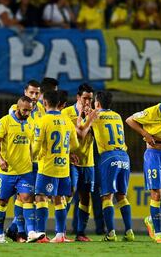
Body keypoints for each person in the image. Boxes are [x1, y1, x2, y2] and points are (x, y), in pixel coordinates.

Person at [126, 98, 161, 244]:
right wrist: (145, 134)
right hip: (153, 155)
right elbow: (129, 120)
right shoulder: (151, 112)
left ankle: (151, 219)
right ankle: (158, 233)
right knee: (156, 193)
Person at [80, 91, 134, 242]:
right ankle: (129, 231)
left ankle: (111, 233)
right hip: (124, 156)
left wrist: (85, 114)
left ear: (97, 103)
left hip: (108, 157)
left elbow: (82, 130)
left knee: (106, 196)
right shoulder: (117, 116)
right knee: (122, 196)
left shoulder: (95, 115)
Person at [0, 96, 43, 244]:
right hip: (7, 172)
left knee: (28, 199)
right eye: (25, 110)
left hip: (25, 171)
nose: (27, 113)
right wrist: (0, 159)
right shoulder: (5, 121)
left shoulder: (31, 123)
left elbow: (32, 145)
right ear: (17, 107)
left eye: (30, 110)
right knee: (2, 202)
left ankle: (31, 232)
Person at [33, 90, 79, 243]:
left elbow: (36, 146)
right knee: (59, 199)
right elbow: (75, 144)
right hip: (64, 168)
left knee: (41, 197)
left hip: (47, 167)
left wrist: (31, 157)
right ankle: (60, 234)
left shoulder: (43, 120)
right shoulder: (67, 120)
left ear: (45, 103)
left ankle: (41, 234)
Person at [5, 80, 44, 243]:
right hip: (22, 161)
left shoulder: (41, 109)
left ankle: (14, 230)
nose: (34, 96)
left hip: (38, 159)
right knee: (23, 197)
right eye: (31, 93)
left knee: (33, 197)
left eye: (37, 93)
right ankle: (22, 232)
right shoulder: (15, 109)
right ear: (25, 92)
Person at [61, 83, 95, 241]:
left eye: (90, 99)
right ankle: (62, 231)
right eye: (85, 98)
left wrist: (90, 117)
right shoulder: (67, 112)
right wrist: (67, 154)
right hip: (72, 161)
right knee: (69, 193)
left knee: (85, 197)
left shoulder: (94, 114)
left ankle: (81, 232)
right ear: (77, 97)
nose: (88, 101)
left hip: (88, 162)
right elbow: (73, 135)